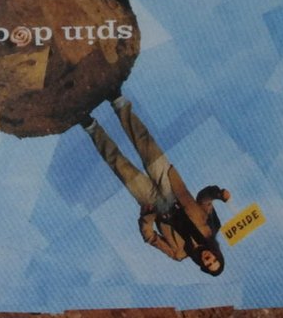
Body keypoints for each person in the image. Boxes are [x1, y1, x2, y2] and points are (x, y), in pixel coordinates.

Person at [81, 94, 230, 275]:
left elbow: (150, 237)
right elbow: (203, 199)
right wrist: (218, 194)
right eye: (214, 259)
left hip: (153, 204)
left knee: (119, 165)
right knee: (146, 144)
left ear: (202, 266)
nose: (209, 258)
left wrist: (147, 217)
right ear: (217, 254)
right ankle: (118, 102)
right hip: (172, 187)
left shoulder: (179, 253)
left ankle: (90, 126)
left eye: (208, 264)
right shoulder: (211, 227)